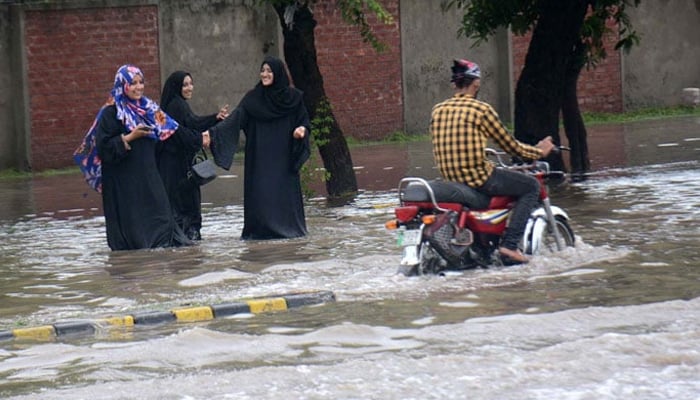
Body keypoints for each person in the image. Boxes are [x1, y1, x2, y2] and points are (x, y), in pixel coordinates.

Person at [430, 58, 554, 264]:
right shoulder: (481, 110)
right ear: (476, 84)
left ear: (454, 84)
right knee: (531, 186)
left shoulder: (438, 110)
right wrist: (539, 151)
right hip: (480, 180)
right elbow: (511, 146)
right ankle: (510, 246)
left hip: (451, 181)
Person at [74, 64, 194, 251]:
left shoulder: (149, 109)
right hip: (123, 182)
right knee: (134, 232)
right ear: (122, 85)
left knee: (163, 220)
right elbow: (103, 149)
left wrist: (205, 137)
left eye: (141, 82)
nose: (138, 87)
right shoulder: (110, 113)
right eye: (133, 83)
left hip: (149, 176)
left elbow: (174, 131)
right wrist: (130, 137)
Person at [204, 55, 311, 240]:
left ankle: (288, 230)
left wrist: (301, 130)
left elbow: (304, 121)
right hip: (260, 158)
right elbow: (236, 118)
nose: (265, 74)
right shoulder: (253, 98)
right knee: (262, 193)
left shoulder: (293, 98)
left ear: (278, 73)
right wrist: (212, 134)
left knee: (283, 193)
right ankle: (261, 232)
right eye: (263, 70)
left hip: (284, 156)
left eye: (269, 71)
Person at [158, 71, 229, 241]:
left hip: (176, 166)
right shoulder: (176, 106)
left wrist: (215, 118)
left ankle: (185, 245)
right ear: (176, 87)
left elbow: (192, 123)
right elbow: (181, 132)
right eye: (185, 84)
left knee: (181, 206)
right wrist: (200, 138)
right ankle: (188, 245)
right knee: (186, 206)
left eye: (191, 83)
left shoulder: (177, 104)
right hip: (177, 167)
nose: (190, 88)